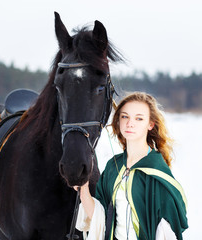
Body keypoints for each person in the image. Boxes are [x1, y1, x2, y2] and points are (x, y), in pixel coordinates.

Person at [75, 92, 188, 240]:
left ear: (150, 124)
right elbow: (100, 220)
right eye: (125, 116)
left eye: (139, 118)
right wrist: (83, 189)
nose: (130, 123)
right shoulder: (113, 167)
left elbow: (169, 231)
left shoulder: (157, 172)